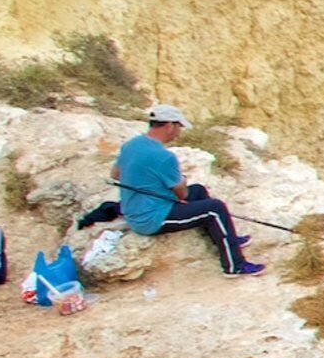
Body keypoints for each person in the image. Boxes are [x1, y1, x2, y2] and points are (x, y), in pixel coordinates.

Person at [92, 105, 264, 276]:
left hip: (134, 210)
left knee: (198, 190)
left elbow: (115, 174)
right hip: (151, 220)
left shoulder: (132, 145)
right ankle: (235, 266)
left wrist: (145, 180)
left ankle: (227, 239)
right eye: (179, 126)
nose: (179, 131)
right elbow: (181, 194)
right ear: (169, 125)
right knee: (215, 208)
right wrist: (181, 180)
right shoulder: (164, 156)